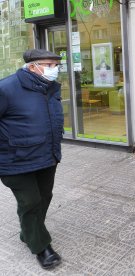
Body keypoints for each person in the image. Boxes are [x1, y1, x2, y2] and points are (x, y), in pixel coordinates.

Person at [0, 49, 63, 268]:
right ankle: (41, 247)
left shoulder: (51, 88)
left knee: (44, 197)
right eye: (49, 65)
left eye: (56, 65)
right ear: (32, 66)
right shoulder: (6, 88)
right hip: (15, 161)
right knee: (30, 202)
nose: (54, 70)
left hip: (46, 156)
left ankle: (28, 232)